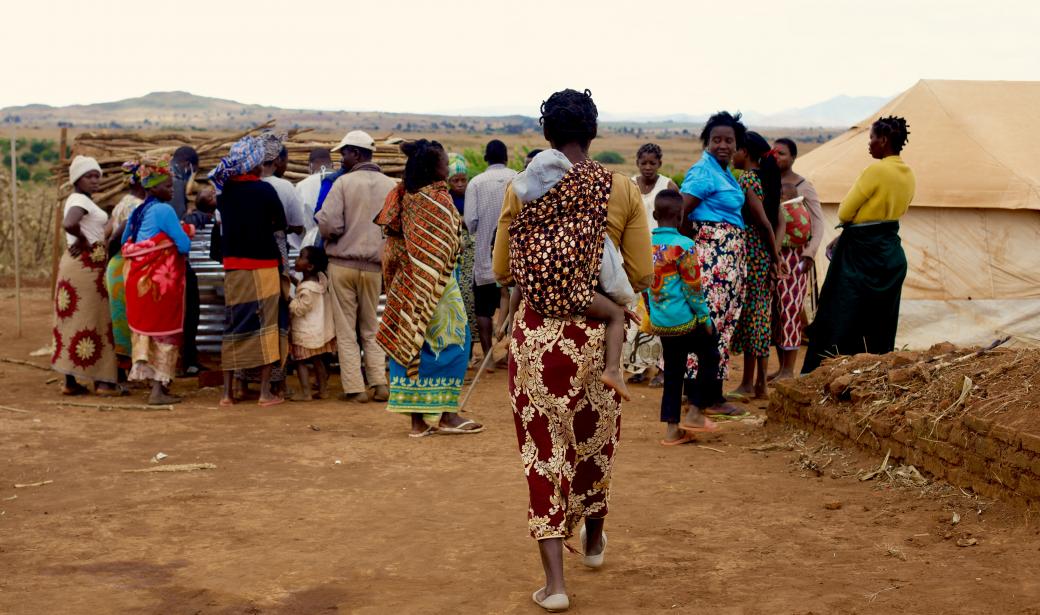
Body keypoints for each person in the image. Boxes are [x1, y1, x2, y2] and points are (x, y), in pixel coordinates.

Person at [492, 89, 652, 613]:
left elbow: (501, 269)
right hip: (597, 327)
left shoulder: (524, 187)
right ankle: (595, 541)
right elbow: (643, 273)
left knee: (545, 452)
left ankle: (555, 585)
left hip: (539, 335)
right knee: (595, 441)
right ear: (593, 132)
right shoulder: (621, 188)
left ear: (546, 136)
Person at [375, 139, 484, 437]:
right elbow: (451, 241)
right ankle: (447, 416)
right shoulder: (437, 198)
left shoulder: (403, 195)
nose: (448, 167)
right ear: (432, 166)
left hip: (407, 285)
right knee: (454, 343)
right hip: (438, 285)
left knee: (410, 345)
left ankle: (417, 422)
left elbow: (394, 246)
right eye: (445, 162)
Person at [509, 148, 634, 400]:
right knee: (616, 314)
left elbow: (513, 272)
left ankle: (512, 324)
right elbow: (608, 269)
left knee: (520, 284)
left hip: (535, 296)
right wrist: (622, 298)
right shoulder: (584, 218)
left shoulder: (526, 222)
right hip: (574, 297)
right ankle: (612, 370)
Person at [802, 116, 915, 373]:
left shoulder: (876, 170)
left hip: (861, 254)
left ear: (884, 140)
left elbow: (845, 211)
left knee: (840, 312)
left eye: (872, 138)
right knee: (878, 321)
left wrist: (848, 232)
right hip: (890, 254)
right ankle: (872, 373)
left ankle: (825, 373)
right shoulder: (909, 174)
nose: (870, 144)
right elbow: (900, 210)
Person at [677, 112, 753, 418]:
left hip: (729, 261)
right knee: (708, 327)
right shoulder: (703, 172)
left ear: (737, 145)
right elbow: (681, 213)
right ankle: (705, 396)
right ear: (707, 143)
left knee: (721, 326)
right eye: (716, 140)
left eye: (729, 140)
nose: (723, 145)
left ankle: (710, 393)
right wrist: (696, 249)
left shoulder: (723, 173)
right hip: (712, 262)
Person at [205, 135, 289, 407]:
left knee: (233, 326)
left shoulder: (223, 192)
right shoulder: (265, 191)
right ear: (256, 164)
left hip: (234, 269)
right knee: (266, 328)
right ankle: (264, 393)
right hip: (264, 267)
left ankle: (227, 394)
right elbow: (280, 223)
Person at [316, 130, 397, 403]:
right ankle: (379, 382)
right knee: (370, 326)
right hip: (375, 267)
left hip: (342, 265)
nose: (342, 158)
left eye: (345, 153)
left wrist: (338, 235)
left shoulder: (343, 184)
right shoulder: (391, 186)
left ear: (357, 154)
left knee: (346, 328)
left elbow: (329, 224)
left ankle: (355, 388)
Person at [645, 190, 720, 445]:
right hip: (684, 321)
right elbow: (693, 288)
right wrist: (705, 319)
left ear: (655, 215)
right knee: (711, 352)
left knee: (674, 372)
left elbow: (643, 283)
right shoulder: (684, 246)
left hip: (662, 323)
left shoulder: (646, 244)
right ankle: (697, 411)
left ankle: (672, 430)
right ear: (680, 216)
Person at [120, 157, 194, 405]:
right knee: (164, 334)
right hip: (159, 286)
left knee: (148, 334)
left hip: (138, 283)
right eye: (168, 186)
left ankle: (159, 388)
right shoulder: (165, 210)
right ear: (153, 187)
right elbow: (184, 244)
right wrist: (179, 236)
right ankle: (157, 391)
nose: (172, 190)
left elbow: (124, 244)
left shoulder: (138, 211)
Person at [52, 155, 120, 396]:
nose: (95, 180)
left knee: (73, 320)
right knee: (95, 319)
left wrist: (110, 224)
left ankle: (71, 382)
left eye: (97, 176)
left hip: (78, 267)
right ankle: (103, 382)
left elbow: (95, 230)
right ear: (77, 179)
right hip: (85, 267)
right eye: (89, 176)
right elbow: (70, 224)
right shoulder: (79, 199)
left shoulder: (81, 200)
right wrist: (82, 240)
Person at [729, 132, 785, 399]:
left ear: (746, 152)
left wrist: (775, 257)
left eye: (736, 148)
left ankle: (751, 384)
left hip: (753, 252)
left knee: (753, 317)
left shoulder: (748, 179)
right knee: (760, 314)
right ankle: (757, 383)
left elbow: (763, 222)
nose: (732, 154)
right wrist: (776, 253)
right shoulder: (770, 179)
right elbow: (780, 221)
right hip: (764, 252)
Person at [771, 138, 825, 379]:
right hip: (773, 254)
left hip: (795, 256)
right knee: (775, 311)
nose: (776, 156)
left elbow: (818, 222)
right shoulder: (770, 182)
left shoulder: (803, 186)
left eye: (781, 153)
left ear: (793, 157)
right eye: (773, 152)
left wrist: (809, 253)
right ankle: (781, 367)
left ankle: (788, 370)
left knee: (790, 309)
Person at [463, 140, 517, 367]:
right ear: (506, 157)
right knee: (515, 306)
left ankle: (488, 358)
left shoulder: (475, 183)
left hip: (486, 260)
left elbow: (471, 222)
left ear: (486, 158)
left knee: (484, 310)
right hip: (515, 260)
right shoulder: (518, 178)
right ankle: (511, 356)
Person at [105, 161, 147, 374]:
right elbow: (115, 236)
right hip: (127, 266)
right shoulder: (138, 206)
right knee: (128, 318)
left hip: (116, 267)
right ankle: (121, 373)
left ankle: (120, 371)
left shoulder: (123, 202)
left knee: (119, 317)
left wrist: (109, 260)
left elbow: (107, 233)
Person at [170, 145, 204, 376]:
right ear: (188, 165)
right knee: (189, 309)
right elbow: (179, 224)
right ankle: (186, 361)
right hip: (173, 261)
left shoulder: (167, 180)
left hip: (161, 261)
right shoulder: (175, 183)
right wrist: (197, 216)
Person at [289, 246, 336, 402]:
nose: (296, 260)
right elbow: (306, 288)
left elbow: (300, 308)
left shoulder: (307, 290)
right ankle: (323, 390)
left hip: (305, 333)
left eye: (301, 257)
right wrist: (293, 280)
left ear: (309, 266)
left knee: (300, 362)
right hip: (319, 332)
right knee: (318, 360)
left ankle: (306, 393)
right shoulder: (320, 281)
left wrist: (289, 300)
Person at [447, 152, 478, 338]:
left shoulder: (471, 195)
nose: (460, 184)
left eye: (463, 180)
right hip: (456, 250)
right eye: (455, 180)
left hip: (471, 250)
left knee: (469, 292)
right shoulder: (447, 197)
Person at [633, 143, 679, 230]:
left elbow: (677, 217)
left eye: (652, 163)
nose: (648, 167)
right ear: (637, 163)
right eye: (643, 163)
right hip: (634, 240)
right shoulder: (630, 185)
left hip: (661, 241)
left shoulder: (668, 186)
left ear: (659, 164)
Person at [295, 148, 333, 247]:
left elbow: (297, 220)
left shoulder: (302, 185)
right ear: (332, 164)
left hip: (311, 241)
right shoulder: (342, 180)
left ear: (310, 165)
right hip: (338, 240)